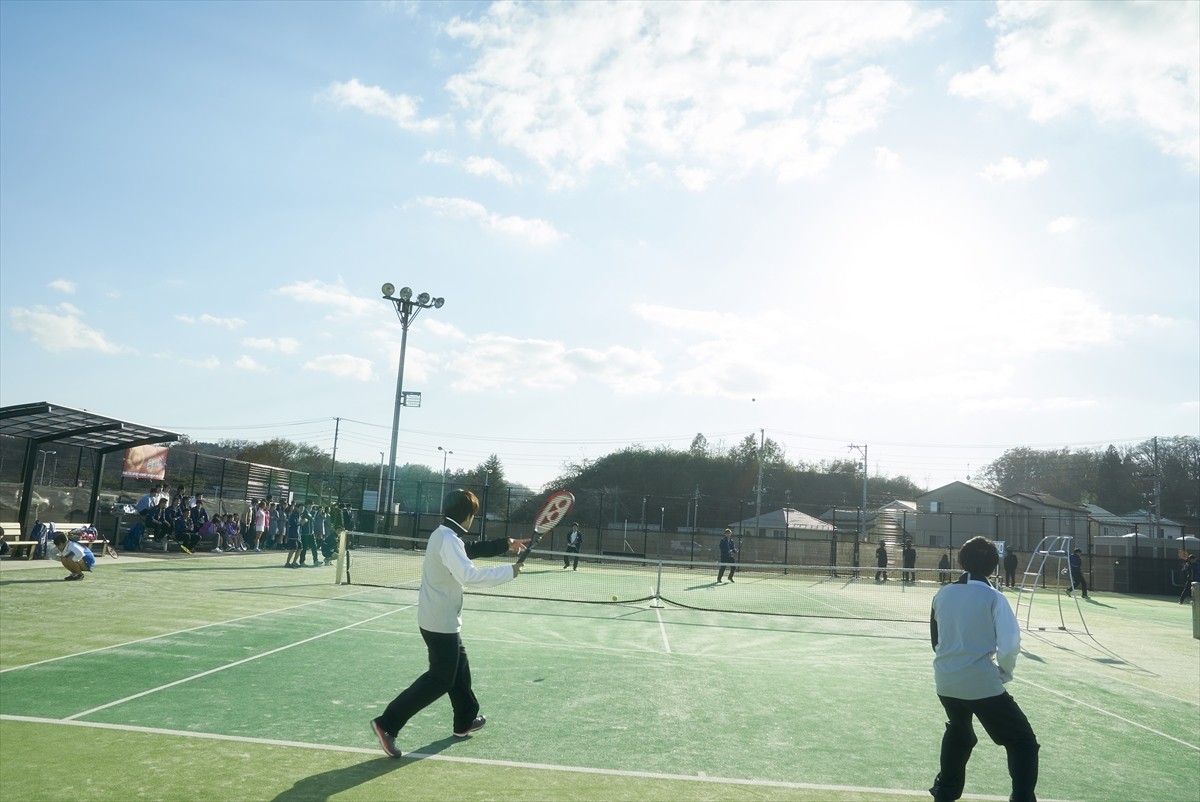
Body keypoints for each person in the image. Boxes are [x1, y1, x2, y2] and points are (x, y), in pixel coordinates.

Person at [370, 489, 525, 758]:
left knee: (458, 670)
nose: (473, 519)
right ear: (467, 515)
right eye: (473, 514)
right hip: (440, 620)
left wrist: (505, 543)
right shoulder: (448, 539)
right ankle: (388, 723)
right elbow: (468, 575)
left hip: (439, 618)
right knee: (440, 679)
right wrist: (509, 572)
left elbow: (468, 550)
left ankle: (465, 721)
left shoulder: (443, 534)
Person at [929, 536, 1039, 802]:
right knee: (1022, 741)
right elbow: (1010, 644)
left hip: (945, 681)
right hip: (980, 683)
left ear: (962, 562)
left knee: (959, 732)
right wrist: (1004, 672)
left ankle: (945, 793)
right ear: (994, 566)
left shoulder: (942, 593)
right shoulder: (994, 597)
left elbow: (936, 641)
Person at [284, 503, 303, 568]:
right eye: (300, 508)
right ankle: (287, 562)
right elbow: (294, 524)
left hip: (298, 535)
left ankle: (294, 562)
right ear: (296, 508)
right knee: (293, 549)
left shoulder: (299, 515)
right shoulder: (293, 515)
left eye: (303, 508)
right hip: (293, 534)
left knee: (300, 548)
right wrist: (302, 522)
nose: (302, 510)